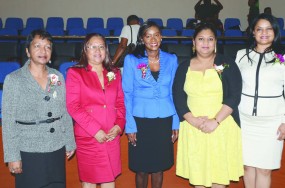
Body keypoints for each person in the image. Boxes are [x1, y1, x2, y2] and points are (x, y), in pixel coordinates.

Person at [1, 29, 76, 188]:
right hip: (28, 150)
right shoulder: (14, 80)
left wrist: (69, 141)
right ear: (28, 51)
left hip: (55, 147)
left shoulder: (56, 77)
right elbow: (8, 121)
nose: (43, 51)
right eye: (38, 46)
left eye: (48, 47)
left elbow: (65, 112)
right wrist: (12, 156)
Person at [173, 22, 244, 188]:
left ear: (215, 42)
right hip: (194, 129)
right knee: (199, 179)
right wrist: (193, 120)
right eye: (201, 39)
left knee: (218, 180)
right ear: (193, 42)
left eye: (210, 39)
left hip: (221, 127)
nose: (205, 43)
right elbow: (178, 96)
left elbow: (234, 95)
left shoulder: (226, 63)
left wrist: (215, 121)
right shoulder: (184, 66)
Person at [235, 13, 285, 188]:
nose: (264, 33)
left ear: (275, 31)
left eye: (268, 28)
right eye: (259, 29)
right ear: (253, 32)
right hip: (245, 121)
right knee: (247, 167)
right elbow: (232, 86)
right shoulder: (241, 55)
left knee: (264, 169)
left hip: (272, 122)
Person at [122, 21, 179, 188]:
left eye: (156, 34)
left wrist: (175, 122)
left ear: (161, 37)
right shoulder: (132, 60)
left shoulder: (171, 59)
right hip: (140, 121)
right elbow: (128, 94)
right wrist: (130, 125)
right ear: (142, 39)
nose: (153, 39)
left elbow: (173, 92)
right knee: (141, 169)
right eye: (148, 35)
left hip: (164, 120)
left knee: (158, 168)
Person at [66, 33, 125, 188]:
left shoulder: (114, 73)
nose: (98, 50)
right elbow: (73, 106)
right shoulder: (75, 73)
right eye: (93, 46)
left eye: (101, 46)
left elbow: (120, 103)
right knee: (89, 182)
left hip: (111, 136)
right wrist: (95, 130)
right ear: (85, 50)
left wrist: (119, 125)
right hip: (89, 137)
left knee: (109, 180)